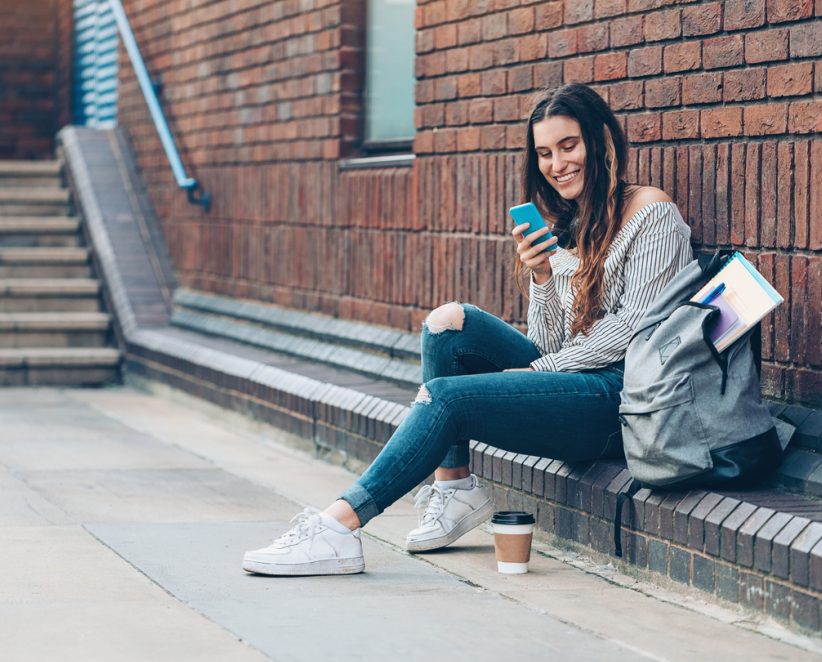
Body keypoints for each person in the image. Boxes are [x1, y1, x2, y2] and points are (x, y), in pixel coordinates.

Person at [241, 83, 694, 576]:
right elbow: (553, 342)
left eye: (569, 145)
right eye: (544, 153)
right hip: (577, 380)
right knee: (448, 325)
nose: (557, 163)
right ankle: (455, 489)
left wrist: (537, 370)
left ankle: (338, 528)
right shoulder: (576, 222)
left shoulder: (651, 213)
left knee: (446, 398)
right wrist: (543, 275)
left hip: (620, 401)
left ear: (601, 141)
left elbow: (634, 329)